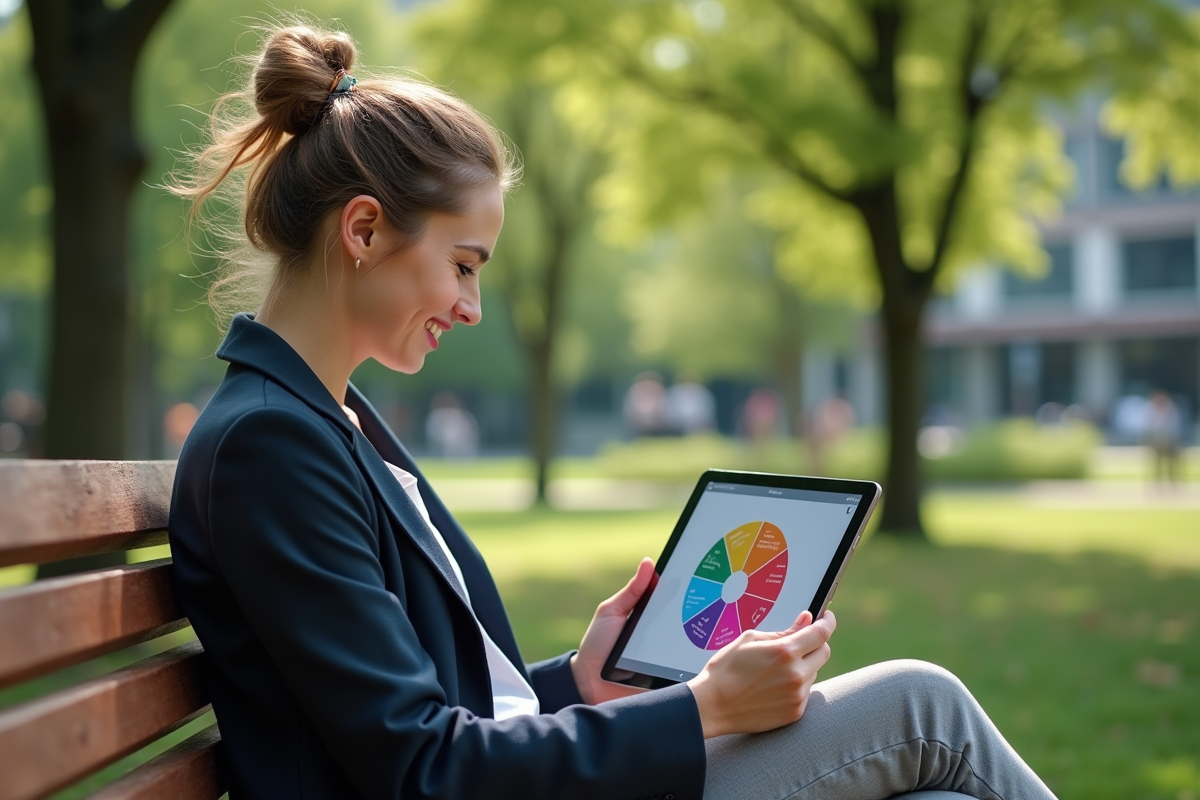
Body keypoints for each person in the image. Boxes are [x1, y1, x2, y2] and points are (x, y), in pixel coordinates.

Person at [167, 23, 1058, 800]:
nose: (471, 307)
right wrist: (702, 708)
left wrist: (579, 683)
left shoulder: (325, 420)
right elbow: (424, 770)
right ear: (363, 231)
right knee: (920, 706)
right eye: (465, 265)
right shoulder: (272, 444)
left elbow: (425, 721)